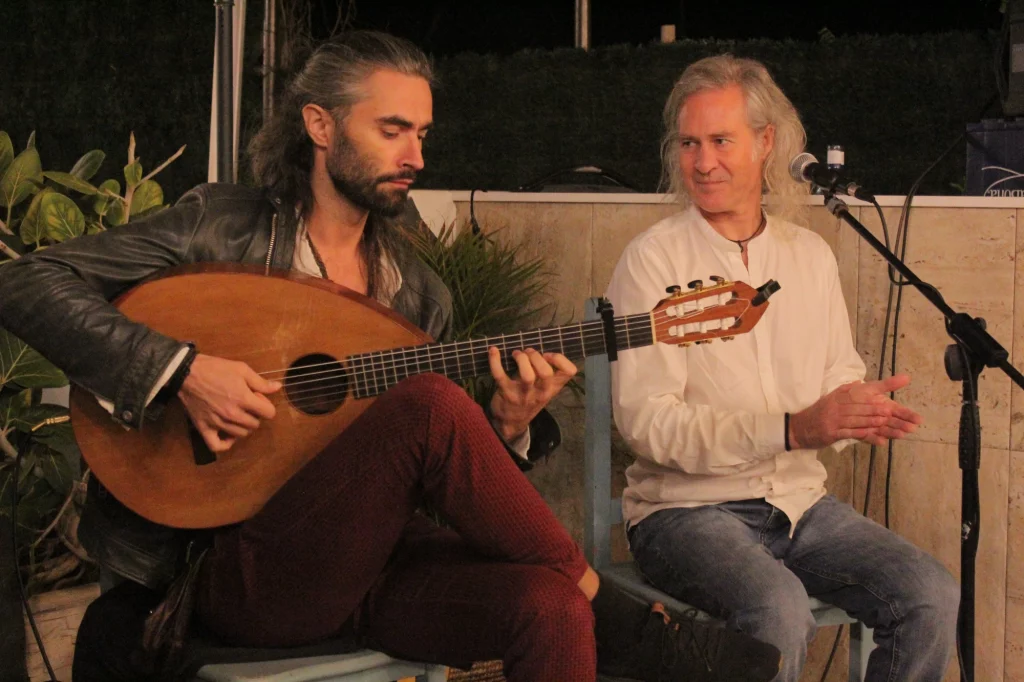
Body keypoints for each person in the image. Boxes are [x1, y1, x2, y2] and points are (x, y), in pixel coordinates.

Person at [0, 33, 782, 682]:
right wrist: (180, 371)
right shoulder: (220, 228)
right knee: (434, 404)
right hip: (233, 570)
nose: (415, 154)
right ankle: (636, 628)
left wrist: (508, 428)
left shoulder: (417, 293)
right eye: (392, 129)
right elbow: (28, 281)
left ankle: (595, 611)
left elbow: (420, 478)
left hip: (367, 565)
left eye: (423, 134)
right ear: (320, 124)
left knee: (547, 606)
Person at [604, 53, 960, 682]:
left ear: (767, 142)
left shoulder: (809, 255)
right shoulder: (651, 260)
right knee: (779, 610)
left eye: (721, 140)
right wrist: (793, 428)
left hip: (801, 506)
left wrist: (854, 409)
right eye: (689, 143)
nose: (703, 161)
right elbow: (648, 425)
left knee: (929, 592)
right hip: (683, 515)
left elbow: (834, 376)